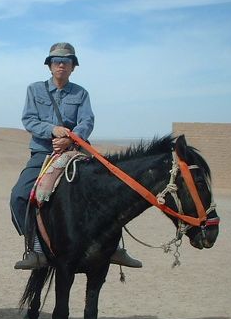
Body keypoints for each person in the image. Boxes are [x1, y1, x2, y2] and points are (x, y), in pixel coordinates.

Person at [10, 42, 142, 270]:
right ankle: (36, 249)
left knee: (111, 189)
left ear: (73, 67)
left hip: (76, 150)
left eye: (66, 61)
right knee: (19, 196)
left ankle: (115, 248)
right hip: (43, 152)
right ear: (49, 66)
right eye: (56, 61)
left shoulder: (81, 93)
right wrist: (53, 130)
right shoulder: (35, 90)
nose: (61, 65)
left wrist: (70, 138)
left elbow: (87, 121)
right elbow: (29, 119)